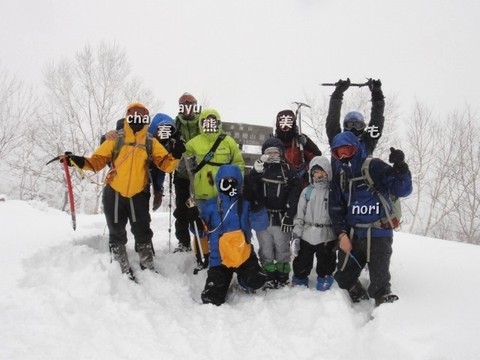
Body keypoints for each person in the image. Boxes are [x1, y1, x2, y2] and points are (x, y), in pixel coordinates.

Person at [63, 102, 185, 279]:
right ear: (128, 115)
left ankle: (147, 265)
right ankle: (121, 267)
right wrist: (76, 160)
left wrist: (175, 155)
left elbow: (165, 165)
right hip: (114, 193)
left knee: (142, 230)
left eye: (142, 114)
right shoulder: (115, 139)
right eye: (134, 113)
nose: (138, 117)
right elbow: (96, 162)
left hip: (138, 194)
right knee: (116, 230)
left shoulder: (151, 142)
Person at [328, 131, 412, 306]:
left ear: (356, 148)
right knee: (343, 279)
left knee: (380, 284)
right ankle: (356, 297)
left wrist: (400, 166)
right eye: (338, 153)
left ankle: (383, 308)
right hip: (353, 235)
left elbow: (403, 190)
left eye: (347, 150)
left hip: (379, 234)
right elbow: (335, 209)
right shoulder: (340, 176)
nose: (343, 156)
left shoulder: (374, 167)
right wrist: (342, 235)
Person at [198, 164, 268, 305]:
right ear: (219, 183)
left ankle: (244, 280)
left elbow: (261, 225)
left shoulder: (246, 203)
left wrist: (257, 205)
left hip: (243, 253)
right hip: (220, 258)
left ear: (238, 183)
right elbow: (200, 232)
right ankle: (222, 280)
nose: (229, 186)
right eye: (225, 182)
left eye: (232, 182)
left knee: (256, 281)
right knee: (212, 299)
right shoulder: (210, 206)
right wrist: (193, 219)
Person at [248, 137, 301, 288]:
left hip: (281, 216)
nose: (272, 156)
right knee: (265, 247)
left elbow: (295, 192)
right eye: (268, 153)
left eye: (275, 153)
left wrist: (290, 215)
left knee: (282, 246)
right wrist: (255, 173)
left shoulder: (288, 170)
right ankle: (268, 275)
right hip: (262, 217)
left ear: (281, 154)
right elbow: (250, 189)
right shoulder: (260, 169)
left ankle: (282, 275)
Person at [290, 156, 337, 291]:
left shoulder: (333, 192)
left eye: (322, 172)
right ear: (311, 174)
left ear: (328, 172)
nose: (319, 175)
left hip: (327, 234)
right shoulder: (307, 191)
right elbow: (299, 215)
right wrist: (296, 235)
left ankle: (325, 276)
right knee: (302, 260)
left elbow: (338, 214)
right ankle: (300, 277)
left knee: (326, 260)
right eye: (316, 172)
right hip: (307, 234)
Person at [184, 108, 245, 203]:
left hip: (225, 192)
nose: (209, 124)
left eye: (213, 121)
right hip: (201, 193)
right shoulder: (192, 144)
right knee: (202, 217)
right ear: (201, 123)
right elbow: (182, 164)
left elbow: (239, 164)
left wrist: (237, 184)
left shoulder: (229, 142)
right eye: (206, 121)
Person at [171, 93, 202, 252]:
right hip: (182, 174)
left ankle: (201, 241)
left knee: (198, 210)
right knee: (181, 209)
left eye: (191, 104)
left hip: (200, 175)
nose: (188, 108)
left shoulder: (202, 123)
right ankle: (183, 242)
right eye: (184, 105)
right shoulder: (175, 125)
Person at [325, 78, 385, 155]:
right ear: (345, 125)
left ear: (362, 126)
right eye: (350, 124)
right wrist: (337, 94)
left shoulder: (368, 141)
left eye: (357, 124)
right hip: (340, 166)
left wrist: (377, 96)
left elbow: (377, 120)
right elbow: (332, 120)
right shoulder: (337, 139)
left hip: (363, 166)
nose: (353, 128)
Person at [274, 109, 322, 188]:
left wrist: (306, 144)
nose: (285, 126)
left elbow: (317, 157)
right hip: (279, 184)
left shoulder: (300, 139)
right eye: (282, 121)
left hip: (300, 184)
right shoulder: (274, 142)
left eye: (289, 121)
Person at [148, 113, 182, 211]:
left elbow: (164, 169)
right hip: (142, 170)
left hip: (157, 166)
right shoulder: (146, 139)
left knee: (159, 169)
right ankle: (157, 191)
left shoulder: (168, 143)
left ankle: (158, 191)